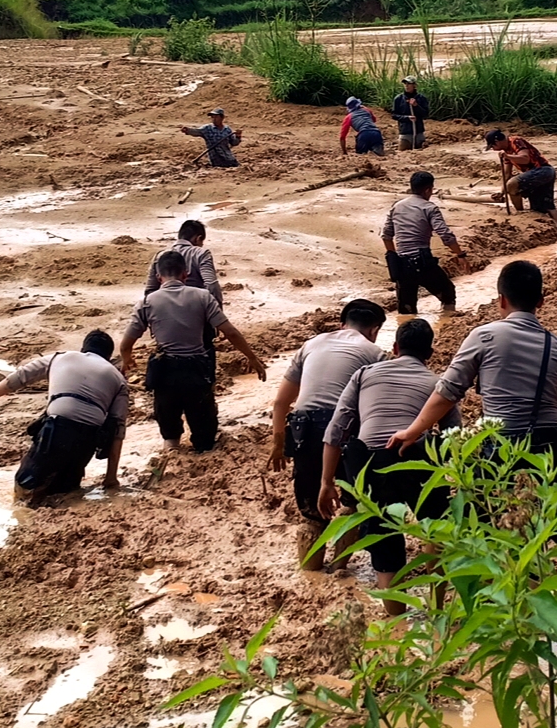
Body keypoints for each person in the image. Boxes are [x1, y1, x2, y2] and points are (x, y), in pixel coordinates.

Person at [386, 260, 557, 486]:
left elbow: (448, 392)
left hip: (504, 443)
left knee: (490, 501)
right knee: (551, 506)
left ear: (502, 300)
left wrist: (412, 431)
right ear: (540, 301)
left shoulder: (484, 336)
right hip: (551, 445)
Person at [318, 317, 453, 613]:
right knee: (435, 527)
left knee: (383, 533)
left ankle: (396, 618)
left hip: (369, 461)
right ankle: (437, 608)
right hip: (417, 459)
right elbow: (453, 436)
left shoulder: (364, 374)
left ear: (394, 348)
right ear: (429, 353)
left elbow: (337, 430)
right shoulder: (438, 384)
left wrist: (327, 482)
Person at [270, 299, 388, 568]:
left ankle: (311, 575)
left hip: (304, 428)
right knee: (351, 503)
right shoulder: (375, 353)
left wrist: (278, 442)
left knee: (311, 513)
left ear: (342, 324)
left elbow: (280, 402)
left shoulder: (311, 344)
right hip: (345, 426)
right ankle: (339, 569)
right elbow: (376, 407)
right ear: (374, 330)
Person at [120, 249, 269, 457]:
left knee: (170, 433)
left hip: (165, 373)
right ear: (185, 274)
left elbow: (126, 344)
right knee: (205, 437)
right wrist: (252, 357)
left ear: (158, 277)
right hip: (197, 372)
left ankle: (171, 458)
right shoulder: (203, 297)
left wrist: (127, 359)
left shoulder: (146, 303)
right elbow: (231, 333)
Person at [0, 331, 128, 506]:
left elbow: (19, 378)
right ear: (108, 356)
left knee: (26, 484)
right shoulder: (118, 378)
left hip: (57, 429)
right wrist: (111, 477)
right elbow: (118, 429)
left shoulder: (59, 357)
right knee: (67, 490)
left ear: (83, 348)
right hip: (89, 438)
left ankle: (22, 513)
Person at [384, 170, 468, 314]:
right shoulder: (429, 208)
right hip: (423, 262)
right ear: (428, 189)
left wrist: (393, 257)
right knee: (447, 293)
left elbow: (386, 236)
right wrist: (460, 255)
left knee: (406, 310)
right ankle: (447, 320)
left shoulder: (397, 206)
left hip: (402, 264)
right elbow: (445, 235)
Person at [144, 219, 221, 304]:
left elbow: (150, 290)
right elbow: (211, 284)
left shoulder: (159, 256)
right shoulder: (201, 254)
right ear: (198, 239)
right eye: (201, 242)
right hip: (195, 306)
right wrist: (215, 307)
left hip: (165, 306)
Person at [484, 129, 557, 215]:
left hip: (542, 170)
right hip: (540, 174)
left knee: (512, 185)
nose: (493, 149)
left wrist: (508, 156)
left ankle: (520, 213)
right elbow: (506, 174)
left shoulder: (515, 141)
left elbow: (525, 159)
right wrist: (502, 192)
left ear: (497, 142)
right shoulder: (507, 152)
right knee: (544, 208)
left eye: (492, 146)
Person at [391, 77, 430, 151]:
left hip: (419, 133)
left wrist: (416, 106)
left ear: (414, 85)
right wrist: (407, 118)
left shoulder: (421, 98)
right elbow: (394, 115)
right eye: (405, 83)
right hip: (405, 133)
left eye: (409, 83)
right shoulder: (398, 99)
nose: (406, 85)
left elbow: (425, 114)